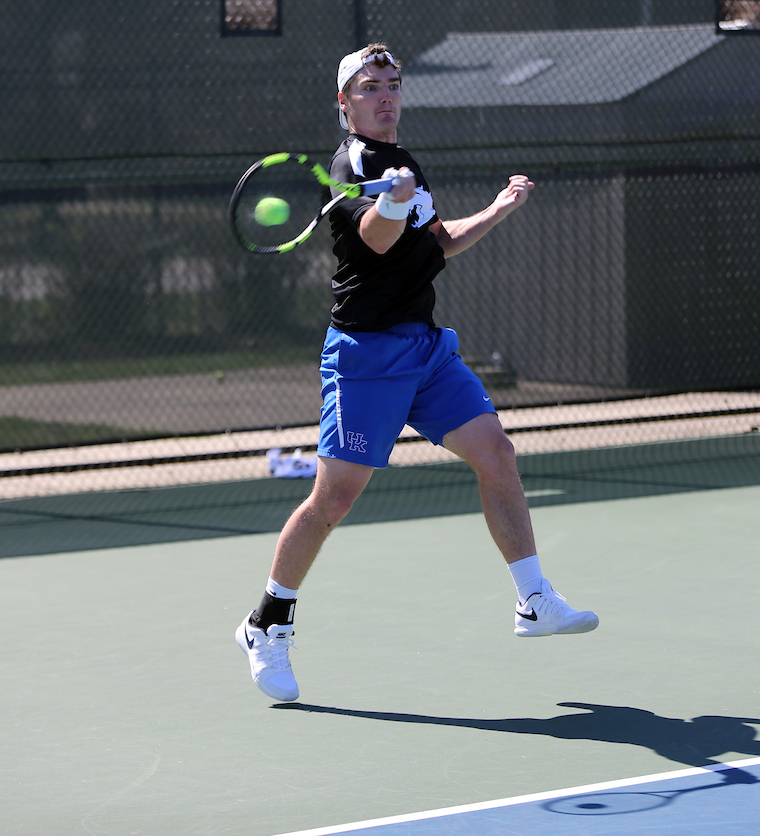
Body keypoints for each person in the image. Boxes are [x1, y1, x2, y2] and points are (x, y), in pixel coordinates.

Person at [236, 44, 598, 702]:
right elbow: (376, 238)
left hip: (426, 348)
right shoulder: (351, 165)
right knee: (335, 501)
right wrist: (396, 201)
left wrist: (500, 206)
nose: (386, 96)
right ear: (344, 102)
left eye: (393, 85)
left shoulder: (402, 164)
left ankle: (533, 599)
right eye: (370, 86)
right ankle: (267, 622)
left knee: (496, 453)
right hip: (365, 358)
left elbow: (440, 244)